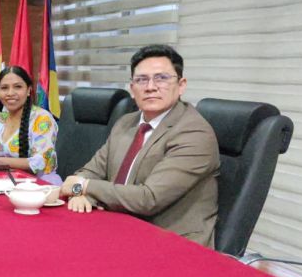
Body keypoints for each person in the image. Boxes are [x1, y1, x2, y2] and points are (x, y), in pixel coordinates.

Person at [61, 44, 219, 247]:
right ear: (132, 89)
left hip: (170, 243)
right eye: (141, 80)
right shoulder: (126, 123)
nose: (151, 87)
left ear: (181, 85)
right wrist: (80, 192)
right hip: (119, 229)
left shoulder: (194, 133)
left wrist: (83, 188)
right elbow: (89, 171)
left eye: (161, 78)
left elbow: (148, 199)